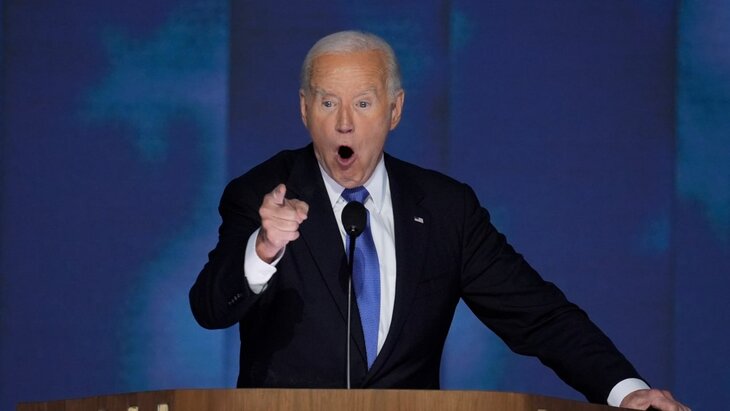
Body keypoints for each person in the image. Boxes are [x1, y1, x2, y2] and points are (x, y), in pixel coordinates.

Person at [189, 30, 689, 411]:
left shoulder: (446, 208)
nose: (344, 123)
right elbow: (210, 307)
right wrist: (263, 249)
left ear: (394, 110)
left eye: (363, 103)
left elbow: (538, 315)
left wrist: (626, 391)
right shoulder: (263, 194)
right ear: (304, 110)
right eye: (328, 102)